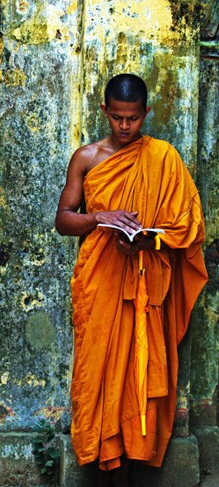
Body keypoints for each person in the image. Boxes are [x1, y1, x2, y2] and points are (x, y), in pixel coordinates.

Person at [55, 74, 207, 486]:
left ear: (146, 114)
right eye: (118, 118)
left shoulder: (163, 158)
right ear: (104, 111)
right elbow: (63, 220)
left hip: (145, 281)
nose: (125, 127)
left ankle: (137, 461)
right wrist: (99, 217)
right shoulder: (86, 158)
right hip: (101, 278)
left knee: (141, 371)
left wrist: (147, 242)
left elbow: (187, 226)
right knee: (100, 371)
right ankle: (105, 459)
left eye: (134, 119)